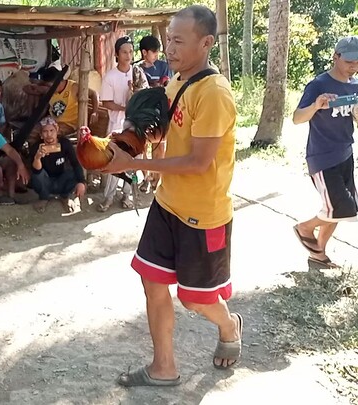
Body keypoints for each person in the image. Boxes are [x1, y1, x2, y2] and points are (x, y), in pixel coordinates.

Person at [100, 5, 242, 386]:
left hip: (203, 212)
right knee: (152, 280)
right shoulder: (177, 82)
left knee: (195, 299)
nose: (170, 47)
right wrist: (130, 141)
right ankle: (164, 367)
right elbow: (164, 133)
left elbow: (198, 162)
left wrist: (134, 168)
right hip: (168, 204)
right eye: (169, 40)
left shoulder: (214, 93)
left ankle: (229, 324)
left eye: (179, 40)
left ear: (206, 42)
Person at [292, 35, 358, 268]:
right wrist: (315, 105)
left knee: (338, 209)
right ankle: (305, 228)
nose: (353, 66)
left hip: (345, 154)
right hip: (322, 157)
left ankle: (318, 254)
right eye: (349, 61)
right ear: (336, 57)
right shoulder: (318, 85)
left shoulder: (355, 85)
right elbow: (297, 119)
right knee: (342, 208)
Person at [98, 36, 148, 212]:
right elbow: (106, 103)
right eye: (124, 52)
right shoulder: (110, 76)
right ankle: (108, 197)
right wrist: (126, 106)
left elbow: (145, 95)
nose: (128, 55)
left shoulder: (138, 73)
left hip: (136, 126)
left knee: (134, 161)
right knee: (115, 161)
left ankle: (127, 194)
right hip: (117, 125)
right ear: (117, 54)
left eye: (130, 51)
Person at [23, 66, 100, 144]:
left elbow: (94, 94)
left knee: (49, 134)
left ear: (59, 82)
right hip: (52, 121)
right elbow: (26, 88)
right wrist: (38, 87)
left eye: (50, 86)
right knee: (30, 131)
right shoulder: (49, 89)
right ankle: (35, 153)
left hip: (69, 124)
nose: (49, 88)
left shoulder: (73, 87)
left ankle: (50, 153)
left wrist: (95, 111)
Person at [137, 35, 172, 192]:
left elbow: (167, 85)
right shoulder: (136, 69)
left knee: (159, 147)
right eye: (154, 52)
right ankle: (145, 178)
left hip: (159, 114)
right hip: (142, 114)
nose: (157, 55)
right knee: (143, 147)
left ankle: (157, 181)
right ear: (145, 52)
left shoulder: (163, 66)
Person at [28, 117, 86, 213]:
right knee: (37, 176)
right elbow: (36, 172)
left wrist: (81, 182)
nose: (49, 135)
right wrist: (37, 157)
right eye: (45, 131)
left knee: (73, 172)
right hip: (45, 182)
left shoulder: (65, 143)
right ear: (41, 135)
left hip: (60, 180)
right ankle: (44, 198)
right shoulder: (37, 147)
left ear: (57, 131)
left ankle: (64, 197)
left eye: (52, 130)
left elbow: (75, 163)